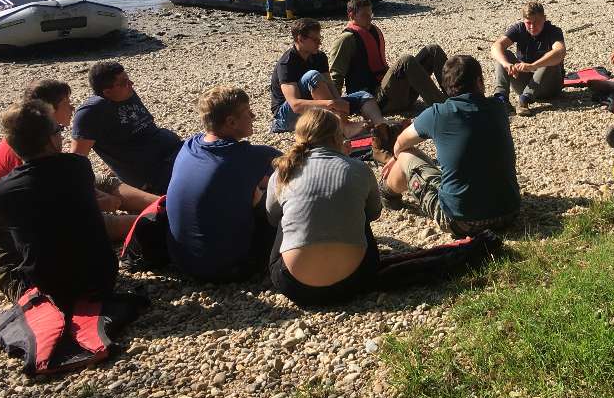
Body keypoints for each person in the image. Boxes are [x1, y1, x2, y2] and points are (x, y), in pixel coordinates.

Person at [266, 108, 501, 308]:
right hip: (354, 279)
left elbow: (272, 217)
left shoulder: (283, 173)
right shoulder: (357, 168)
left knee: (285, 219)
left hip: (295, 287)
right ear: (338, 138)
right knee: (357, 213)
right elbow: (373, 213)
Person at [0, 100, 117, 307]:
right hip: (102, 279)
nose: (61, 134)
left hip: (50, 296)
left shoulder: (7, 188)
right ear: (51, 140)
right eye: (59, 130)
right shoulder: (79, 166)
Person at [379, 55, 521, 237]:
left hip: (462, 222)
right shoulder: (498, 108)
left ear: (445, 87)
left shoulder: (438, 114)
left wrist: (396, 158)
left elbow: (400, 143)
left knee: (406, 154)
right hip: (509, 213)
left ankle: (387, 193)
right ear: (479, 82)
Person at [0, 79, 158, 223]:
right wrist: (101, 202)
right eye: (66, 103)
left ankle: (161, 204)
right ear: (49, 110)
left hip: (44, 190)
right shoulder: (31, 146)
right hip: (23, 213)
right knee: (93, 220)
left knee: (102, 181)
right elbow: (52, 200)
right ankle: (153, 221)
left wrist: (99, 195)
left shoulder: (34, 134)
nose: (72, 108)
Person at [166, 86, 282, 281]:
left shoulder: (190, 145)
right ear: (231, 121)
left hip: (182, 260)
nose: (253, 116)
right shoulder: (248, 157)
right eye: (247, 112)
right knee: (282, 199)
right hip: (227, 268)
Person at [71, 62, 183, 195]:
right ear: (107, 92)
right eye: (124, 82)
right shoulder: (91, 112)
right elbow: (76, 160)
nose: (131, 83)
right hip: (155, 174)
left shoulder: (126, 93)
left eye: (128, 79)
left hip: (174, 153)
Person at [271, 18, 390, 141]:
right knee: (312, 76)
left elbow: (330, 86)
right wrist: (330, 104)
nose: (319, 43)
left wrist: (338, 104)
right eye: (315, 40)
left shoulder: (319, 57)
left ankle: (381, 126)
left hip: (319, 105)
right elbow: (295, 105)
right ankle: (344, 127)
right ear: (300, 39)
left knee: (364, 95)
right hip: (286, 116)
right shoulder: (287, 63)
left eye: (320, 39)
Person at [328, 0, 447, 116]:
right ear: (351, 15)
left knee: (433, 49)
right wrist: (337, 109)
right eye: (365, 15)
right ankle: (443, 108)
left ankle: (457, 98)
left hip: (394, 95)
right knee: (406, 60)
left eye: (371, 14)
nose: (369, 18)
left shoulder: (372, 31)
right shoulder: (346, 40)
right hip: (373, 102)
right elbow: (336, 75)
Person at [490, 1, 567, 116]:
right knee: (503, 54)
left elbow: (560, 51)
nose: (532, 27)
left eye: (536, 22)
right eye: (528, 23)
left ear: (544, 18)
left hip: (549, 87)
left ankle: (524, 100)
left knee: (551, 58)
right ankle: (501, 99)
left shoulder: (553, 31)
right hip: (524, 83)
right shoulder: (519, 29)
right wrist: (506, 64)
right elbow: (496, 46)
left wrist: (533, 66)